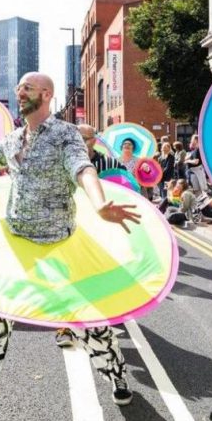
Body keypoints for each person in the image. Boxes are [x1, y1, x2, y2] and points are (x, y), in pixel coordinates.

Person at [0, 74, 140, 421]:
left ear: (46, 94)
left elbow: (83, 168)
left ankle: (115, 372)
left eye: (27, 88)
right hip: (16, 249)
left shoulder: (65, 134)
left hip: (61, 248)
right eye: (18, 88)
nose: (19, 92)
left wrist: (98, 203)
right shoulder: (14, 138)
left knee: (92, 325)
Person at [55, 123, 129, 349]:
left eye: (84, 139)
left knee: (100, 278)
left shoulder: (111, 165)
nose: (78, 143)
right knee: (68, 278)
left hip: (102, 233)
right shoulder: (62, 162)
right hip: (71, 229)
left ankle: (103, 319)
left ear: (94, 140)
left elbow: (127, 189)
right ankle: (65, 327)